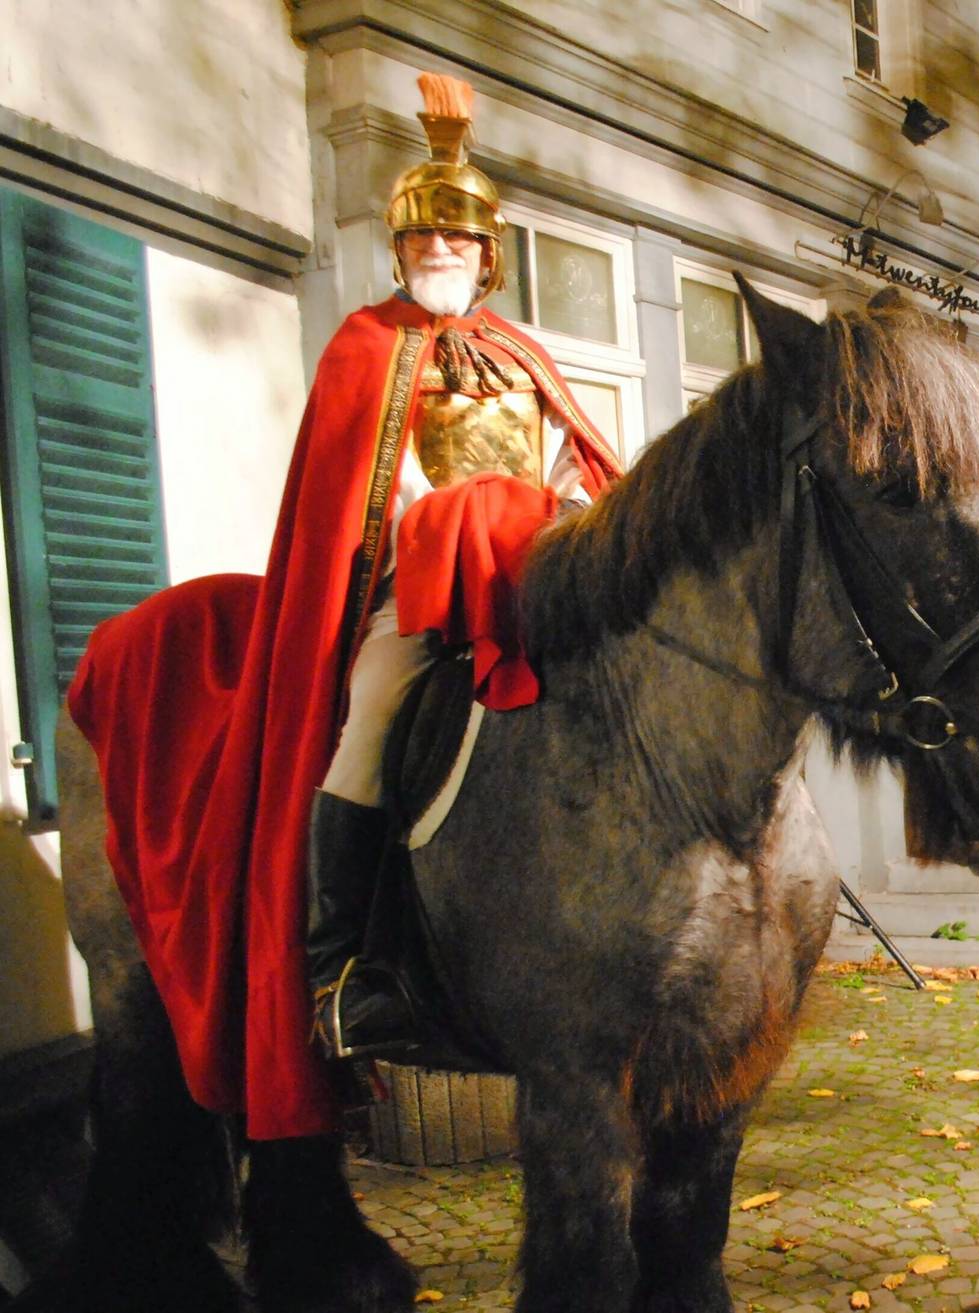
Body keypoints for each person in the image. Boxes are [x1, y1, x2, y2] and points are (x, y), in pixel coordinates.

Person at [282, 76, 620, 1056]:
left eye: (458, 239)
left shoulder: (520, 350)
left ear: (487, 256)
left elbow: (575, 463)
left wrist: (571, 520)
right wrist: (437, 531)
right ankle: (339, 967)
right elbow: (354, 497)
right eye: (423, 238)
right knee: (373, 712)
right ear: (400, 251)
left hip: (531, 585)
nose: (440, 251)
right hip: (415, 592)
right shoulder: (365, 346)